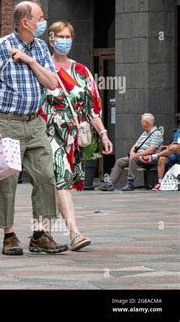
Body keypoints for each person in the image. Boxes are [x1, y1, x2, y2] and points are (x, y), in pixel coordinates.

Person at [0, 0, 68, 255]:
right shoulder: (1, 47)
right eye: (39, 17)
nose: (43, 21)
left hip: (35, 122)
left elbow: (52, 82)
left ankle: (40, 234)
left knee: (46, 176)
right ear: (25, 22)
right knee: (5, 181)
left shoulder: (40, 48)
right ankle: (9, 235)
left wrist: (30, 61)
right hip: (7, 122)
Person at [39, 21, 113, 251]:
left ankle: (43, 232)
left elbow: (92, 109)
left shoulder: (82, 71)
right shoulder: (42, 67)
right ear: (50, 39)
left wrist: (103, 133)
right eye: (60, 36)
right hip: (47, 131)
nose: (64, 40)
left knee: (56, 182)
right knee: (60, 175)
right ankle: (74, 232)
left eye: (68, 36)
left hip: (73, 135)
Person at [99, 113, 163, 191]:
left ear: (147, 123)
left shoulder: (156, 134)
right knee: (120, 161)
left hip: (149, 158)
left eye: (142, 122)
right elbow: (136, 144)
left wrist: (136, 155)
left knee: (133, 159)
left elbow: (152, 150)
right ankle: (110, 184)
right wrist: (132, 152)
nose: (141, 123)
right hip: (139, 156)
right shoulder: (144, 133)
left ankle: (130, 183)